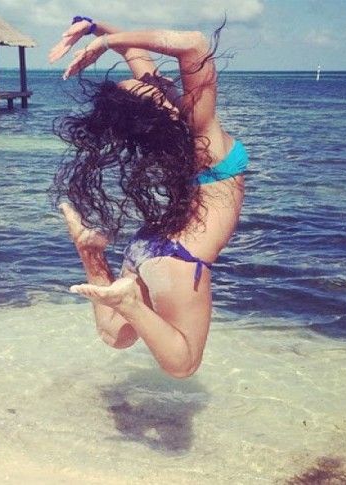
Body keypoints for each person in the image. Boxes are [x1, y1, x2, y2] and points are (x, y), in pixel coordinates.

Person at [50, 16, 248, 378]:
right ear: (157, 112)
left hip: (151, 245)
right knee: (183, 364)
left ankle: (91, 254)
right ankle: (128, 301)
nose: (149, 79)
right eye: (145, 86)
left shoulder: (174, 124)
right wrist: (104, 43)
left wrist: (95, 27)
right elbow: (194, 44)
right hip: (179, 256)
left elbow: (136, 54)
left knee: (116, 334)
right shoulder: (199, 131)